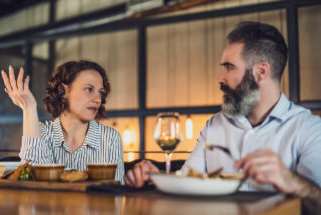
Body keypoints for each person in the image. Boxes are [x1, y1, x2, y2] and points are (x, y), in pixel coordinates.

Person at [124, 22, 321, 203]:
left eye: (229, 68)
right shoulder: (214, 125)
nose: (220, 78)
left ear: (261, 71)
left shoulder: (310, 129)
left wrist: (290, 180)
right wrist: (156, 177)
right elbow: (187, 181)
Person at [1, 60, 124, 183]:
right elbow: (32, 181)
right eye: (88, 89)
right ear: (62, 91)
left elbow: (116, 191)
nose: (98, 99)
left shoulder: (110, 138)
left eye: (100, 92)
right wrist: (29, 108)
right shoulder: (40, 133)